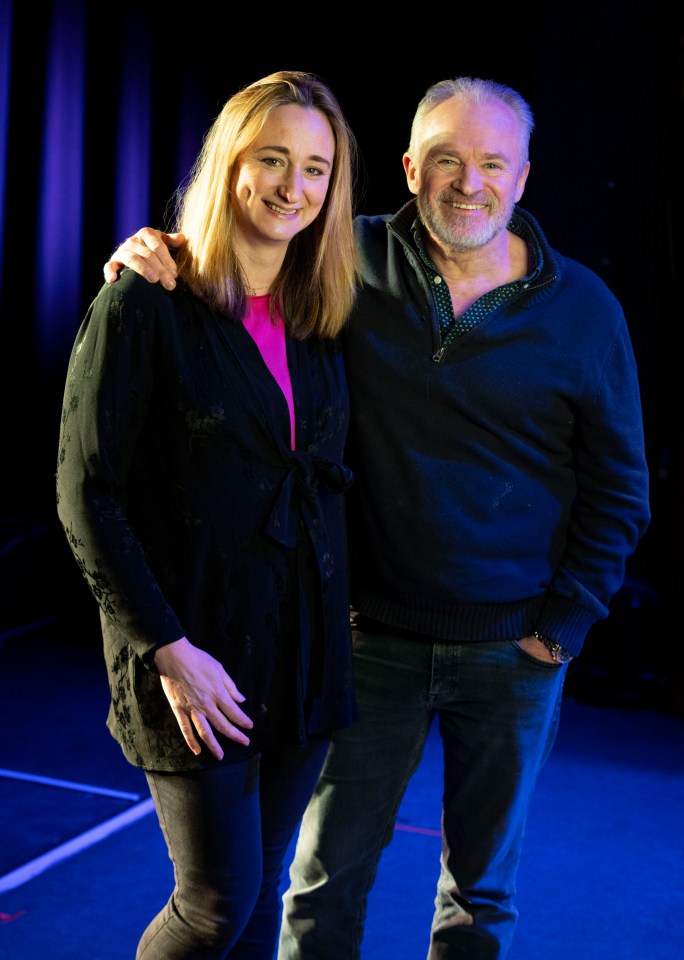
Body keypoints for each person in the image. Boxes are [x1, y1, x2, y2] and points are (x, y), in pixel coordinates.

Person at [103, 76, 651, 959]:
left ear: (522, 179)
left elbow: (621, 486)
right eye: (445, 160)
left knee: (479, 899)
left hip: (514, 652)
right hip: (366, 644)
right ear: (408, 167)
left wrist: (565, 624)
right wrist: (150, 250)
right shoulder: (344, 260)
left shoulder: (585, 309)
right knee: (322, 888)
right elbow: (238, 247)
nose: (467, 182)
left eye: (490, 164)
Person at [56, 70, 360, 960]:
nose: (293, 187)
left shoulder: (322, 315)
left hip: (302, 652)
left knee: (259, 893)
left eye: (315, 168)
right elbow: (86, 493)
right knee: (214, 906)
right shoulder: (143, 300)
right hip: (196, 652)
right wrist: (170, 652)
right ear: (230, 164)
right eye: (272, 159)